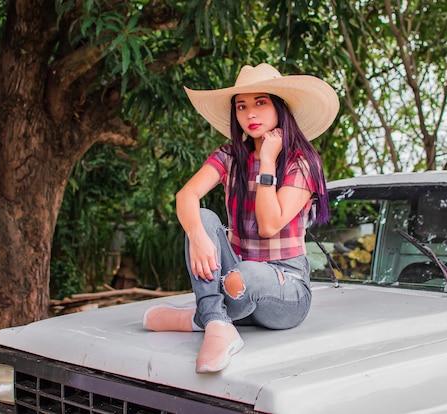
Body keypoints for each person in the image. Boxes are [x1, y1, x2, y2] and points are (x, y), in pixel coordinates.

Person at [142, 63, 339, 374]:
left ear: (280, 108)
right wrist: (196, 235)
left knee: (244, 275)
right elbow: (186, 196)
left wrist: (268, 162)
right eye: (242, 106)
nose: (250, 114)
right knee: (204, 217)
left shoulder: (302, 163)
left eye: (260, 103)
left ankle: (200, 317)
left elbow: (270, 224)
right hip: (235, 280)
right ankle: (218, 324)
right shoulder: (229, 156)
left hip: (286, 290)